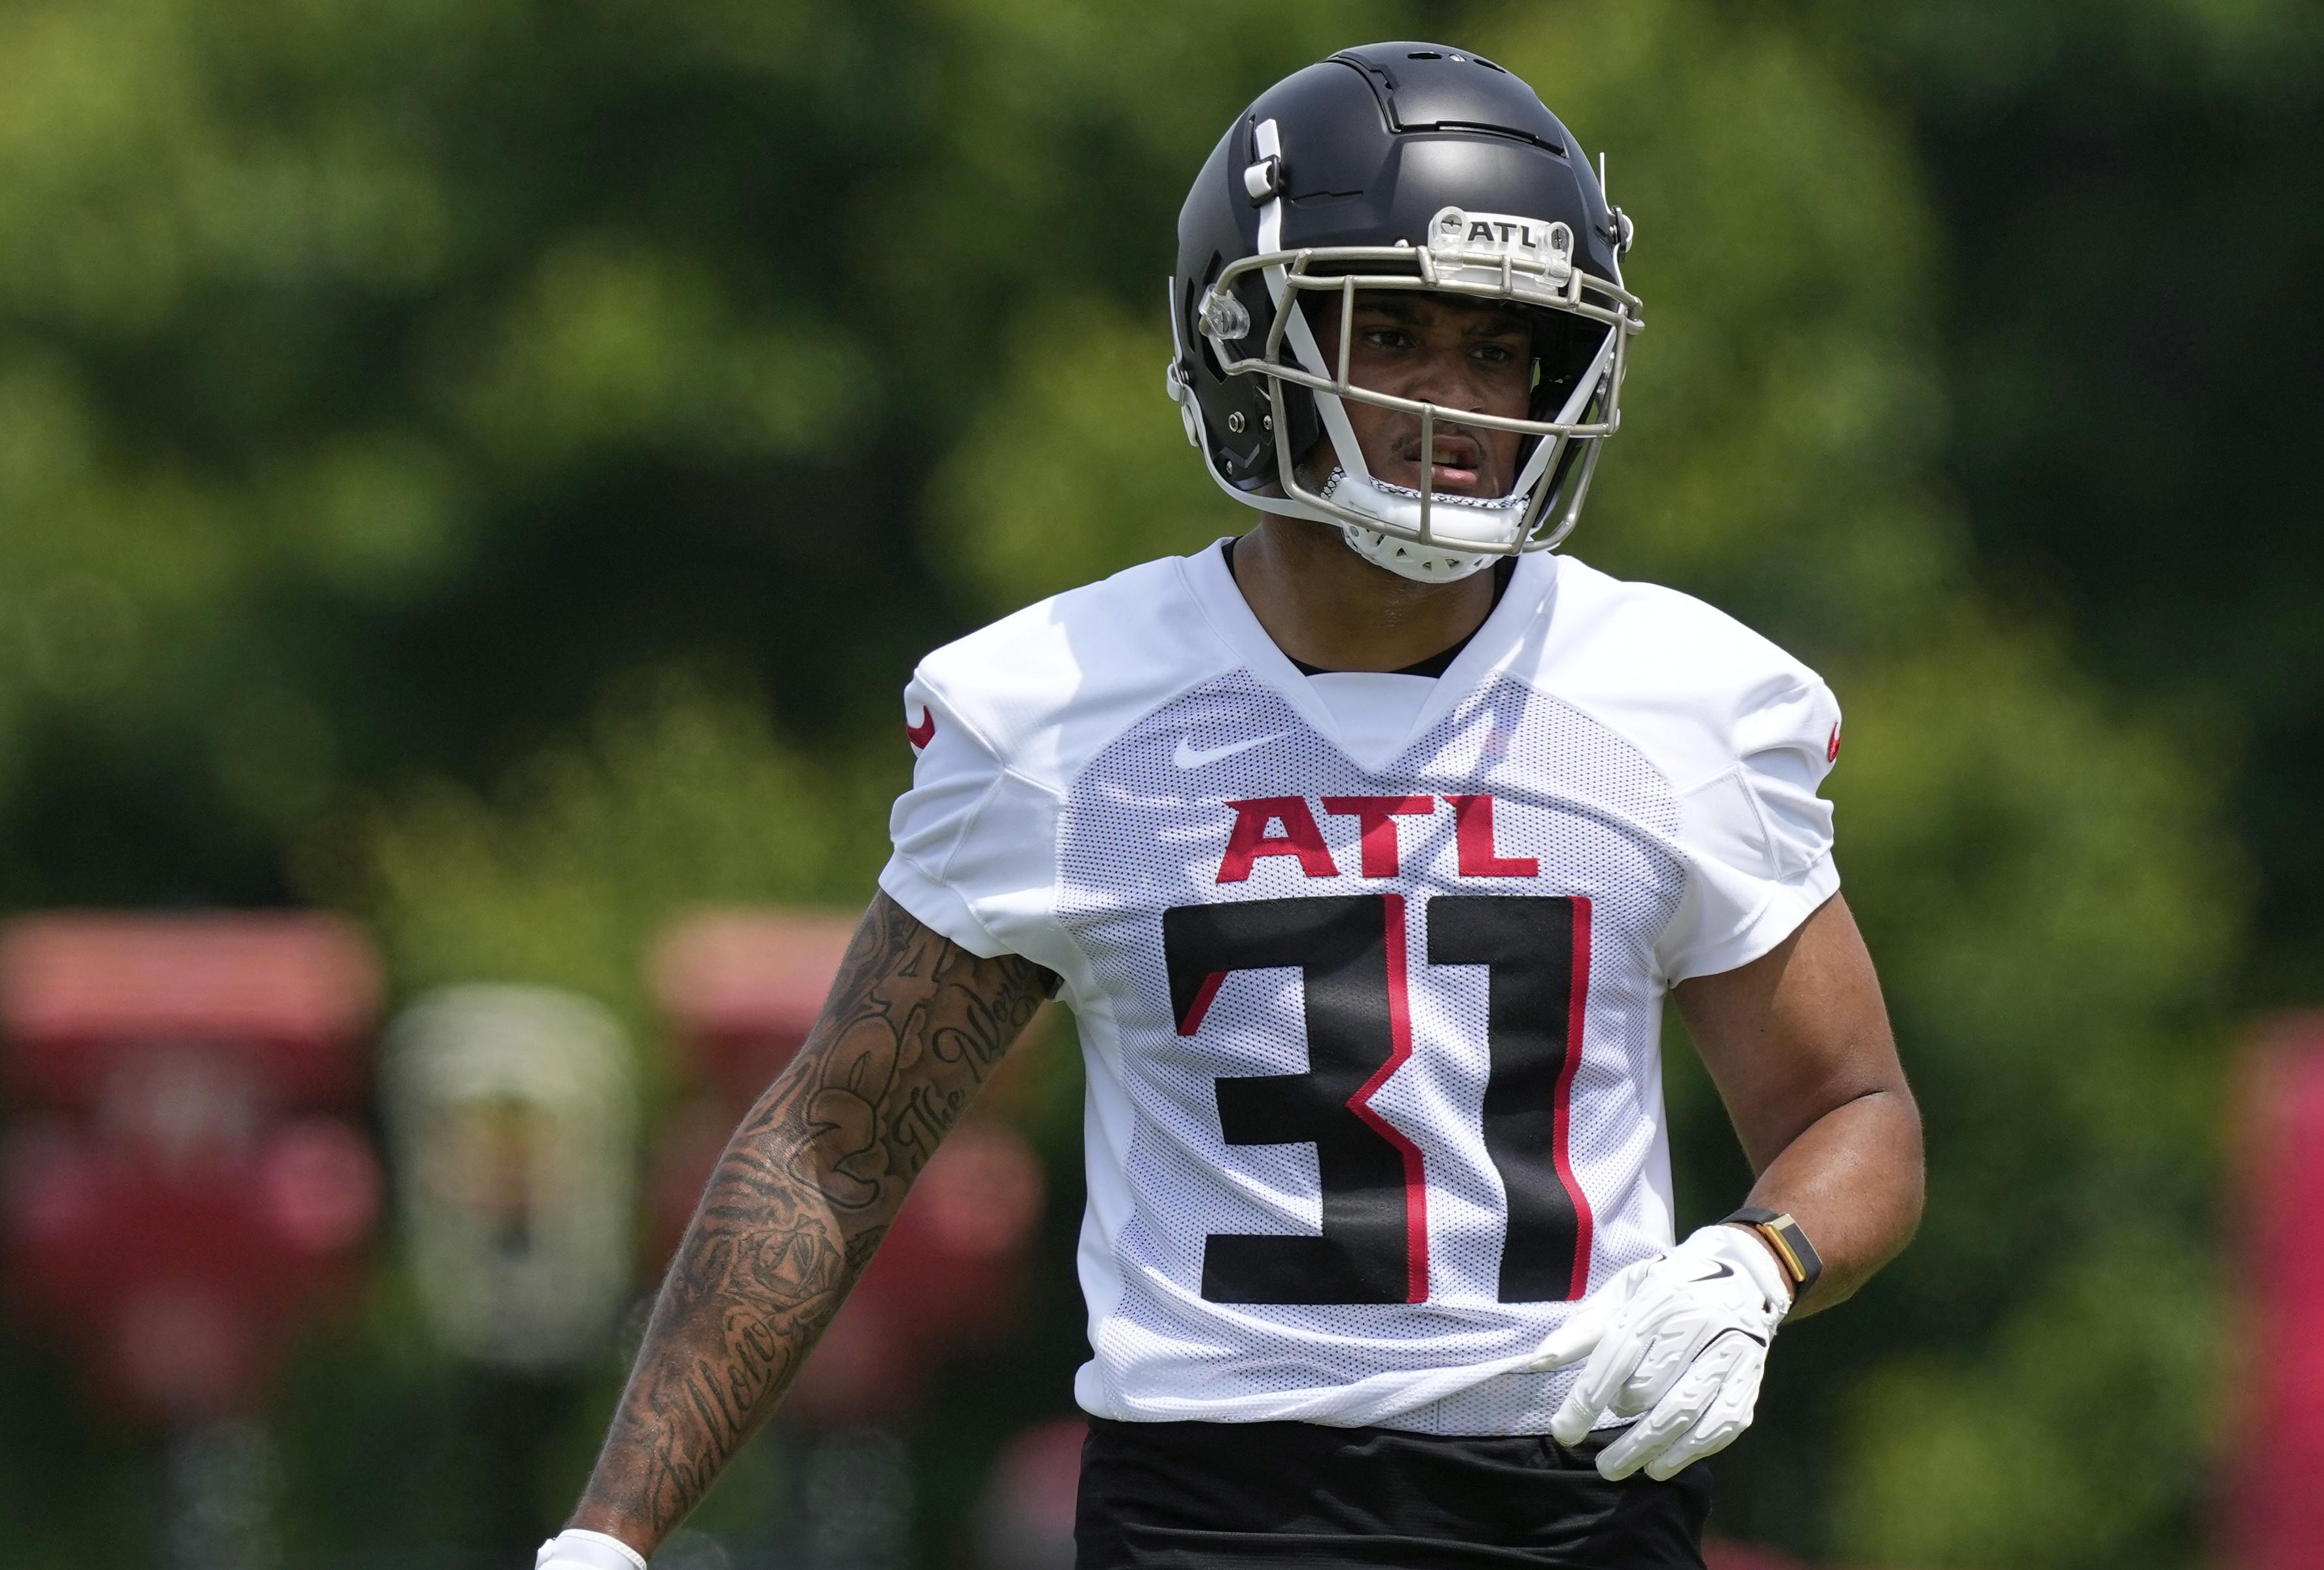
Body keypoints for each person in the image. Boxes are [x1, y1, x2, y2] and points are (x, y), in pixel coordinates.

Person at [539, 41, 1924, 1570]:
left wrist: (1757, 1261)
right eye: (1389, 333)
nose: (1453, 402)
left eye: (1498, 349)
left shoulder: (1677, 697)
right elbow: (833, 1143)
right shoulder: (1060, 707)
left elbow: (1849, 1112)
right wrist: (610, 1535)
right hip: (1214, 1513)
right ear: (1242, 336)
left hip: (1580, 1502)